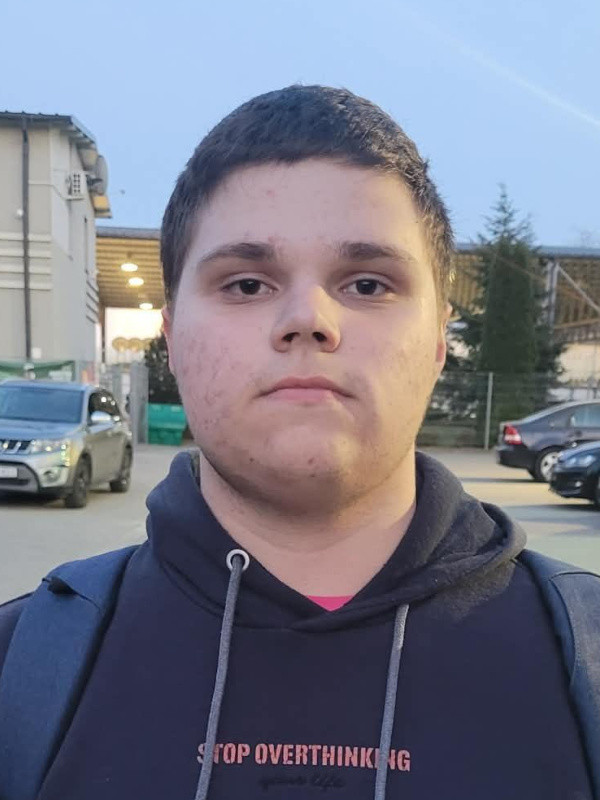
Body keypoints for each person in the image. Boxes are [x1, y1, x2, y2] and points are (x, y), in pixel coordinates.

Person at [0, 85, 596, 800]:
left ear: (439, 340)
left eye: (367, 284)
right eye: (247, 284)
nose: (308, 318)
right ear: (173, 337)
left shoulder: (584, 660)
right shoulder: (20, 670)